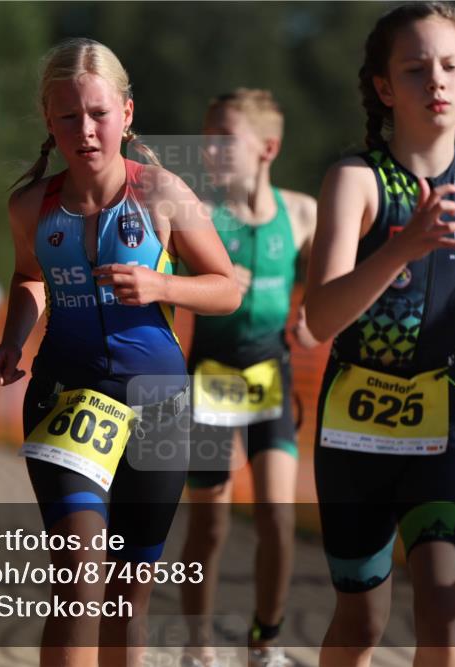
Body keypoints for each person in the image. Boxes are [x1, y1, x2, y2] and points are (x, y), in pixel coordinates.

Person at [303, 4, 455, 666]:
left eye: (449, 66)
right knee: (362, 621)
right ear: (385, 88)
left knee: (445, 608)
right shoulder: (354, 181)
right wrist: (401, 247)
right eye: (415, 69)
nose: (435, 80)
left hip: (444, 414)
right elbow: (320, 317)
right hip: (355, 425)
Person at [0, 38, 240, 667]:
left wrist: (162, 286)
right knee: (79, 585)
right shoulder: (31, 206)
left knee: (127, 598)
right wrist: (12, 340)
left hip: (159, 405)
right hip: (67, 396)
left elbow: (227, 287)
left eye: (98, 114)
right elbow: (29, 276)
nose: (86, 131)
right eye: (68, 116)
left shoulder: (161, 193)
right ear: (49, 121)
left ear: (126, 113)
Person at [178, 88, 317, 667]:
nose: (209, 150)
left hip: (270, 374)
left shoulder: (303, 212)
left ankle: (266, 644)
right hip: (211, 375)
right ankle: (198, 648)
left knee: (277, 518)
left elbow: (336, 278)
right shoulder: (198, 215)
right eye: (205, 138)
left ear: (268, 148)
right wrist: (209, 280)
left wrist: (317, 315)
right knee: (210, 526)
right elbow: (160, 280)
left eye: (224, 140)